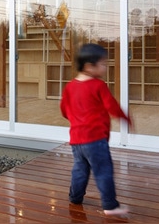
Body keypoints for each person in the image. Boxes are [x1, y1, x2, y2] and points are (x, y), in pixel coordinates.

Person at [60, 43, 132, 216]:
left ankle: (75, 198)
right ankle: (110, 206)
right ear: (89, 66)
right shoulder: (98, 85)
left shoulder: (70, 86)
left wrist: (76, 120)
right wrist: (126, 118)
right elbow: (112, 106)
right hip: (95, 140)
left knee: (79, 170)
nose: (105, 67)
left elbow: (64, 109)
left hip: (77, 140)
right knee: (103, 171)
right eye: (103, 64)